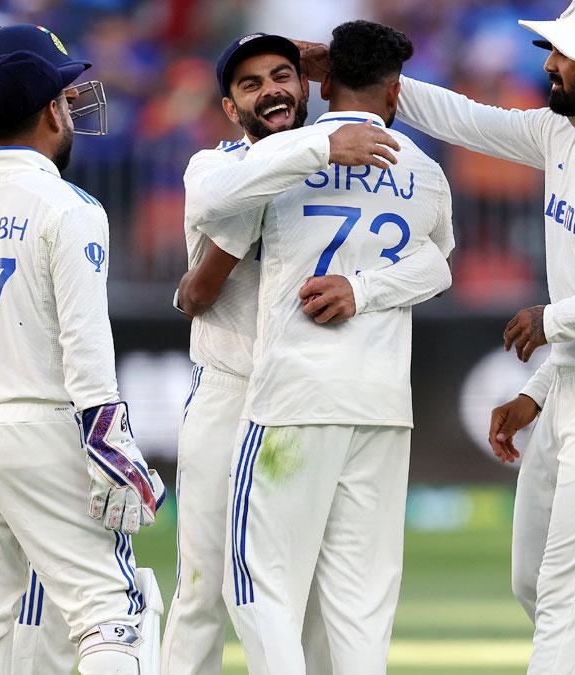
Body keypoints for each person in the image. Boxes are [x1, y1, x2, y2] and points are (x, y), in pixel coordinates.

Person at [297, 1, 575, 671]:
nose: (547, 63)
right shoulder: (561, 133)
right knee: (572, 587)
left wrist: (554, 322)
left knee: (572, 595)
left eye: (562, 54)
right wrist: (357, 73)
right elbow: (464, 118)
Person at [163, 31, 433, 675]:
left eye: (282, 76)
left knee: (309, 594)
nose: (271, 91)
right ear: (230, 108)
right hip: (231, 392)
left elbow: (430, 257)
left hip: (305, 398)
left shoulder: (351, 165)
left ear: (308, 84)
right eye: (250, 85)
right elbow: (197, 288)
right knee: (204, 588)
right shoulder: (216, 163)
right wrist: (317, 146)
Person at [0, 24, 165, 675]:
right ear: (52, 108)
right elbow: (84, 338)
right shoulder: (68, 207)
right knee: (112, 612)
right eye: (68, 97)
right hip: (44, 426)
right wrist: (107, 440)